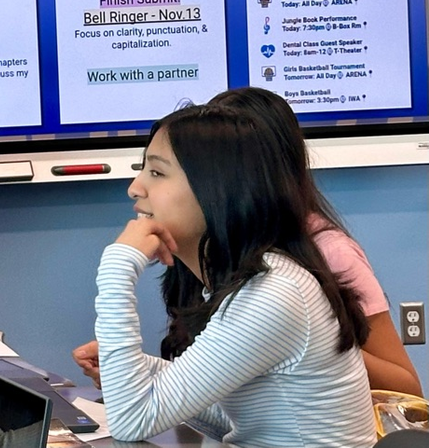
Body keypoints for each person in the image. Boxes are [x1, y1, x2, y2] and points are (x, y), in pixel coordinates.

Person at [75, 87, 422, 398]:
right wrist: (132, 373)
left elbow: (407, 388)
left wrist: (315, 341)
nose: (137, 188)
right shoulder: (213, 253)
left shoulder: (302, 269)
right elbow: (220, 400)